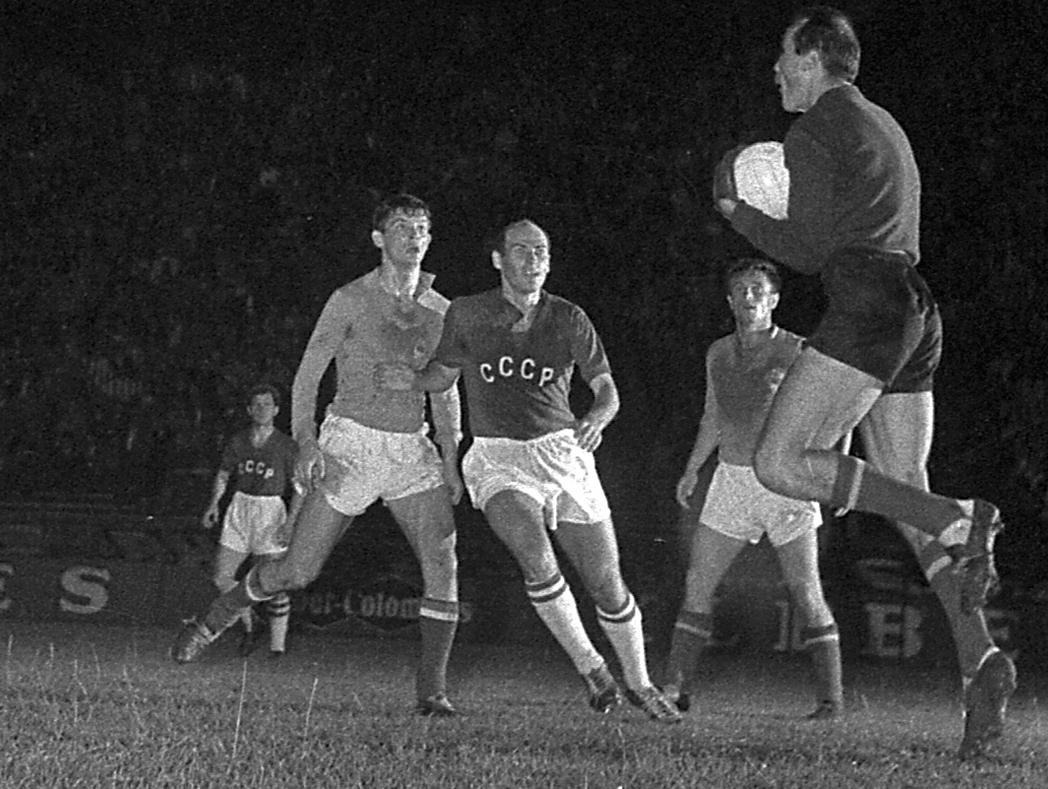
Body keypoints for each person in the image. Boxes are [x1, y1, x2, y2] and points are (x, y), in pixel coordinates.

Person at [718, 7, 1017, 758]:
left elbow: (813, 247)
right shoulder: (882, 122)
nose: (776, 70)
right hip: (915, 305)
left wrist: (739, 212)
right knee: (904, 492)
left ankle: (964, 515)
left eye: (784, 55)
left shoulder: (814, 128)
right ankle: (980, 659)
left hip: (868, 304)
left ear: (815, 58)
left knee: (779, 461)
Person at [173, 194, 466, 713]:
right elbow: (309, 374)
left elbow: (445, 387)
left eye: (421, 226)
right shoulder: (349, 299)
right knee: (295, 573)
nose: (413, 235)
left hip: (409, 451)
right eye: (400, 226)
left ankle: (432, 691)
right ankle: (217, 616)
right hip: (350, 444)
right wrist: (307, 440)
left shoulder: (442, 312)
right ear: (379, 239)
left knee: (443, 561)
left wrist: (448, 455)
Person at [403, 220, 677, 720]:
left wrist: (596, 416)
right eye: (523, 251)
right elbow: (439, 376)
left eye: (542, 251)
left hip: (561, 454)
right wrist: (402, 375)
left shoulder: (569, 318)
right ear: (498, 259)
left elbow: (608, 391)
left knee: (607, 584)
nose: (534, 259)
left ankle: (638, 682)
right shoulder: (467, 314)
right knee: (536, 557)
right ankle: (593, 667)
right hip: (498, 458)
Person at [664, 260, 839, 716]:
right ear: (729, 300)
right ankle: (675, 690)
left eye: (757, 289)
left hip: (784, 481)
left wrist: (827, 474)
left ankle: (830, 701)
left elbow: (833, 415)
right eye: (739, 289)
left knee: (805, 590)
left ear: (774, 299)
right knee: (698, 583)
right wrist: (691, 471)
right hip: (732, 480)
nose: (748, 296)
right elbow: (713, 418)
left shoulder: (798, 351)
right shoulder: (718, 353)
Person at [195, 388, 302, 656]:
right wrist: (213, 504)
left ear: (277, 410)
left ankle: (278, 646)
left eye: (268, 404)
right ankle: (250, 622)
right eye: (257, 404)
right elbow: (223, 474)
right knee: (222, 576)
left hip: (270, 508)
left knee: (273, 581)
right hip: (240, 506)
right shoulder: (239, 441)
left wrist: (290, 522)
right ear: (249, 410)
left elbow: (300, 487)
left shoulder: (286, 446)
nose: (262, 408)